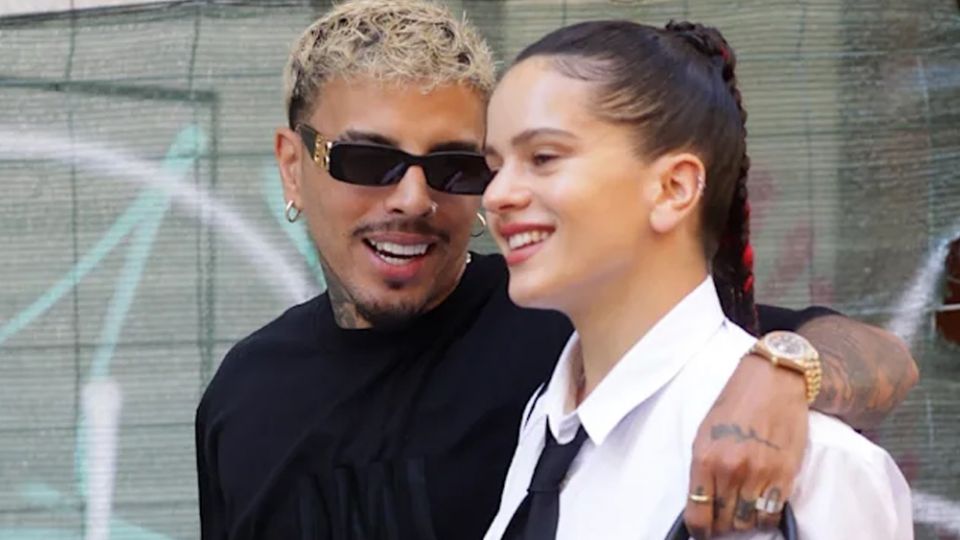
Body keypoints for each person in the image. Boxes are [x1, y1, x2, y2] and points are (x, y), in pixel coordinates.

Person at [194, 1, 918, 539]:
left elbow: (878, 359)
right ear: (292, 166)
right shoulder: (245, 396)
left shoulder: (562, 324)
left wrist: (780, 375)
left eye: (456, 167)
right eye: (367, 160)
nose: (413, 198)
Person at [481, 19, 913, 540]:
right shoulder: (549, 421)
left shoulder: (812, 464)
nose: (496, 195)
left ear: (674, 188)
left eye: (543, 158)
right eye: (494, 166)